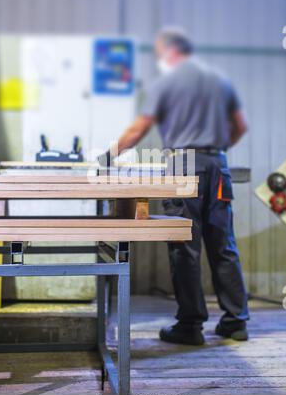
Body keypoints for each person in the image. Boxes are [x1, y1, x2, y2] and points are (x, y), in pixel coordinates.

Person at [99, 27, 249, 345]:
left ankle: (190, 326)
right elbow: (240, 127)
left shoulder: (166, 82)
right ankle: (235, 321)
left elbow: (139, 127)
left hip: (183, 166)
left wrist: (108, 155)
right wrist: (216, 150)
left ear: (169, 51)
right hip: (217, 165)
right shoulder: (220, 80)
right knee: (224, 244)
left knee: (185, 245)